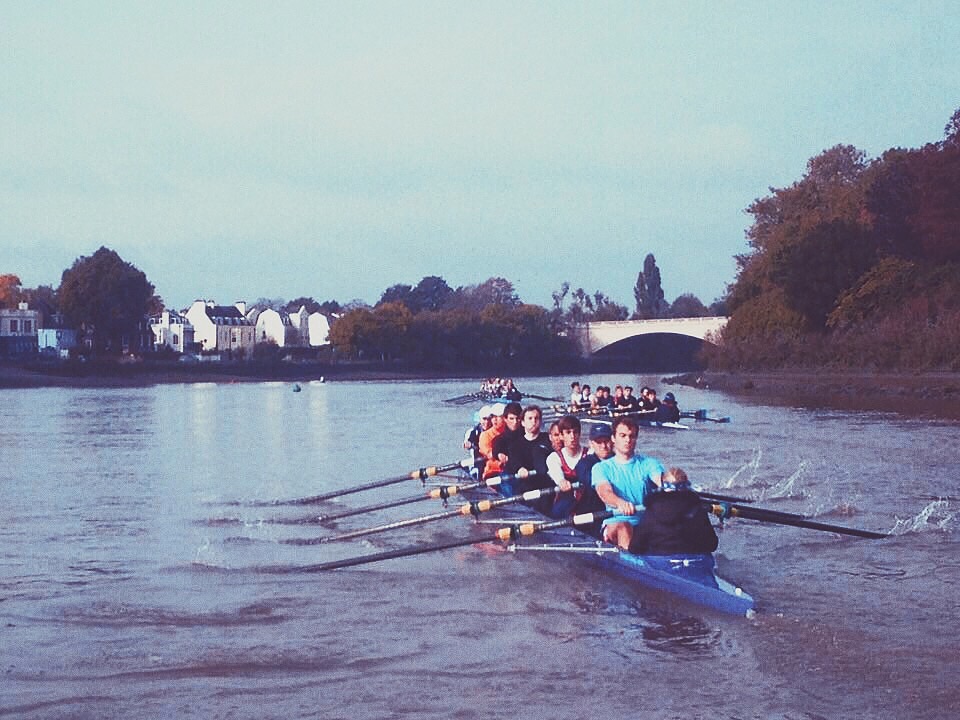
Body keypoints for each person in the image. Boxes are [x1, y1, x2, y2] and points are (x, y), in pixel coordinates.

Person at [591, 416, 665, 549]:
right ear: (613, 438)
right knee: (624, 527)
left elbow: (661, 480)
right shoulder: (602, 468)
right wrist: (620, 503)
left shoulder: (649, 463)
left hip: (644, 523)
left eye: (632, 436)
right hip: (616, 522)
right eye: (623, 435)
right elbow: (604, 492)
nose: (627, 440)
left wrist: (674, 488)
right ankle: (631, 563)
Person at [627, 468, 718, 555]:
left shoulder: (652, 510)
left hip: (659, 562)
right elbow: (712, 544)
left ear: (663, 486)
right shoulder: (698, 509)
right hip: (694, 562)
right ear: (686, 486)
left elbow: (634, 548)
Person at [503, 405, 554, 505]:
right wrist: (519, 468)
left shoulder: (548, 440)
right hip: (526, 486)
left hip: (547, 485)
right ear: (522, 422)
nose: (533, 421)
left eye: (536, 418)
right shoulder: (515, 445)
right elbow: (514, 462)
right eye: (530, 418)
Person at [545, 415, 588, 517]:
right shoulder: (554, 458)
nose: (572, 436)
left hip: (587, 500)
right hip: (565, 500)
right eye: (568, 433)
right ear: (561, 436)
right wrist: (561, 481)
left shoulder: (590, 453)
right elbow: (556, 473)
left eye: (575, 432)